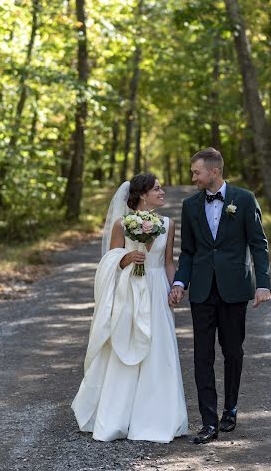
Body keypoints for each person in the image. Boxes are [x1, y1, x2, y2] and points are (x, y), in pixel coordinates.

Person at [72, 174, 188, 442]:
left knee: (159, 348)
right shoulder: (121, 224)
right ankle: (118, 417)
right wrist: (126, 258)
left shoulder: (168, 224)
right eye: (157, 188)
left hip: (157, 287)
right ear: (142, 195)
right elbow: (110, 261)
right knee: (126, 345)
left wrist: (174, 287)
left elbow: (169, 261)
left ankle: (158, 417)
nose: (162, 192)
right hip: (130, 289)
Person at [169, 148, 271, 444]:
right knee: (202, 356)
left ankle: (231, 409)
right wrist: (180, 283)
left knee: (233, 351)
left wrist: (262, 284)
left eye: (196, 172)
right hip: (202, 291)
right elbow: (187, 251)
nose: (193, 177)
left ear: (214, 171)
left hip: (234, 289)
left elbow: (258, 244)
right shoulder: (190, 206)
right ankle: (208, 422)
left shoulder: (244, 199)